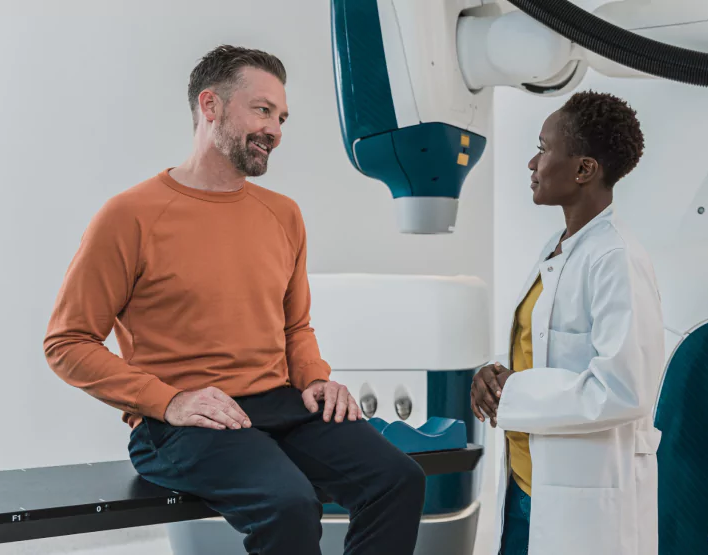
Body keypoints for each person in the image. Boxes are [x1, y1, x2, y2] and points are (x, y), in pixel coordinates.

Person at [43, 45, 425, 555]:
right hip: (179, 424)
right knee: (289, 505)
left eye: (282, 117)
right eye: (263, 110)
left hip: (278, 403)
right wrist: (170, 401)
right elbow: (67, 342)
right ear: (210, 106)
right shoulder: (129, 215)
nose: (276, 130)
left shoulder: (283, 214)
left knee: (398, 479)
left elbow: (295, 326)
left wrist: (315, 377)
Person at [471, 91, 664, 555]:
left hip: (579, 496)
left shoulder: (615, 258)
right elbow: (540, 349)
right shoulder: (559, 247)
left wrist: (511, 391)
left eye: (544, 147)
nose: (533, 162)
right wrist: (493, 373)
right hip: (527, 482)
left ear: (583, 169)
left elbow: (623, 390)